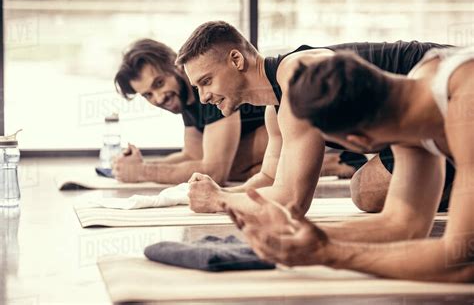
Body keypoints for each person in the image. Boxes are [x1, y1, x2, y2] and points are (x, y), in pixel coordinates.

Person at [227, 47, 474, 282]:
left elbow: (461, 262)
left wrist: (328, 254)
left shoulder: (464, 99)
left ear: (360, 142)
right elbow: (401, 225)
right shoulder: (407, 103)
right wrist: (297, 231)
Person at [177, 20, 452, 214]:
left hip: (446, 93)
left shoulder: (296, 75)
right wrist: (217, 193)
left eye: (206, 81)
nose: (203, 97)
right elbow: (270, 179)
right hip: (415, 129)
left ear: (236, 60)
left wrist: (219, 201)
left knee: (367, 191)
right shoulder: (275, 109)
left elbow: (292, 201)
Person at [112, 39, 267, 185]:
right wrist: (138, 165)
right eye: (148, 95)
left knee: (226, 164)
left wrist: (142, 172)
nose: (158, 99)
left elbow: (214, 172)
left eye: (159, 83)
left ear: (177, 66)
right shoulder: (185, 97)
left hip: (283, 137)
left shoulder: (209, 92)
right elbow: (192, 156)